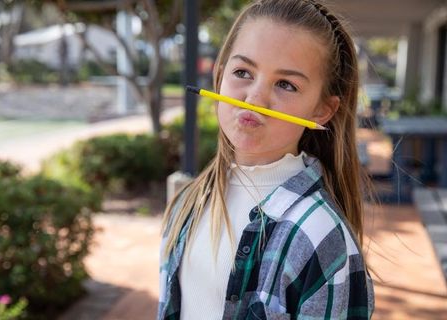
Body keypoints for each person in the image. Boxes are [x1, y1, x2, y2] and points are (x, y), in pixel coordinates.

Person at [158, 0, 375, 319]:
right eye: (243, 72)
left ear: (321, 111)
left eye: (286, 84)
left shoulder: (318, 234)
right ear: (219, 77)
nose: (255, 99)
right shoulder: (187, 203)